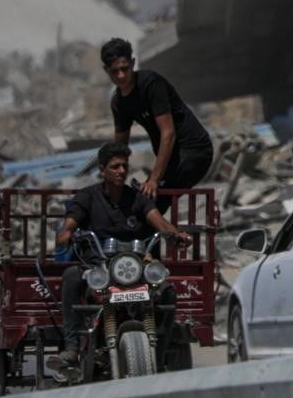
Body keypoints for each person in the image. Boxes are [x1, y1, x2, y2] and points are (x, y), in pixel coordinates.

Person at [52, 142, 190, 367]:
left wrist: (175, 234)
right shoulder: (87, 197)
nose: (121, 171)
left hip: (136, 267)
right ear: (102, 170)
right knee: (71, 277)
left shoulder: (137, 197)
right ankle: (72, 346)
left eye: (124, 166)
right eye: (115, 166)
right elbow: (70, 224)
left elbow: (159, 221)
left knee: (167, 292)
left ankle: (161, 350)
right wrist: (66, 233)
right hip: (99, 268)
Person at [101, 37, 214, 195]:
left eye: (124, 69)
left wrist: (154, 180)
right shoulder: (118, 102)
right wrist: (111, 178)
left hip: (194, 151)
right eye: (114, 71)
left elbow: (168, 133)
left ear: (133, 64)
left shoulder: (150, 84)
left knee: (152, 203)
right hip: (170, 158)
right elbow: (120, 147)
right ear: (106, 70)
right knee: (143, 205)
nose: (120, 76)